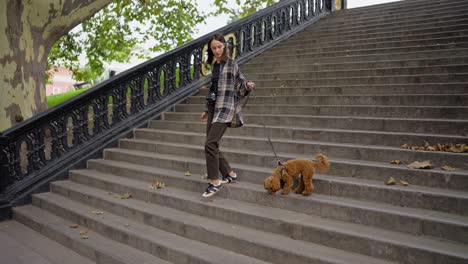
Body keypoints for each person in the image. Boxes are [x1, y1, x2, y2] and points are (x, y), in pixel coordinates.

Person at [200, 33, 256, 198]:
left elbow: (240, 82)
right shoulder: (215, 66)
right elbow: (213, 89)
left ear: (224, 46)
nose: (217, 50)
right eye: (213, 48)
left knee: (210, 144)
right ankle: (229, 174)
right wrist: (206, 109)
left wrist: (247, 85)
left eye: (219, 47)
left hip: (226, 108)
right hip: (213, 109)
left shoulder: (231, 64)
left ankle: (214, 182)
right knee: (212, 144)